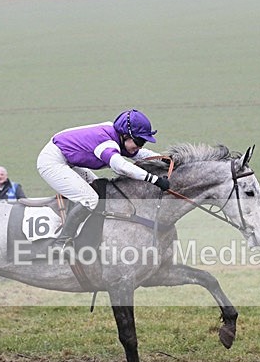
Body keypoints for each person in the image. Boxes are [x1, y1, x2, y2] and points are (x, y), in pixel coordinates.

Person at [37, 109, 169, 254]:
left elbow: (140, 154)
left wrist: (164, 159)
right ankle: (61, 243)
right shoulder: (106, 143)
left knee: (101, 193)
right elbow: (122, 167)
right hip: (52, 162)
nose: (140, 145)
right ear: (125, 135)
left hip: (67, 160)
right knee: (91, 199)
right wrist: (154, 180)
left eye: (143, 142)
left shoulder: (118, 137)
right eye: (139, 141)